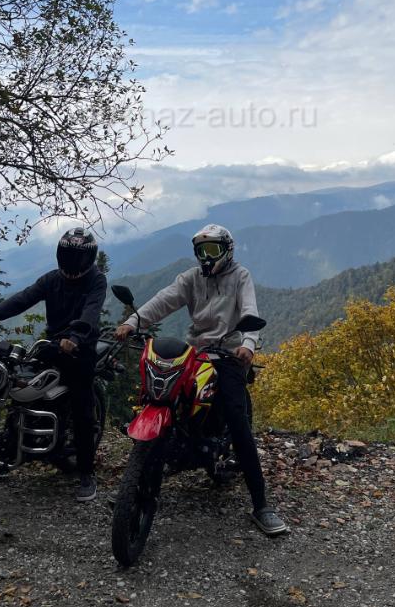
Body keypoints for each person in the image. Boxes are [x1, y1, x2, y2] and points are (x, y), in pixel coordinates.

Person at [114, 224, 287, 535]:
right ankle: (138, 481)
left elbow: (249, 310)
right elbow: (163, 300)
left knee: (238, 424)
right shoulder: (191, 278)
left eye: (212, 250)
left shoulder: (240, 276)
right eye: (201, 250)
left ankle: (261, 505)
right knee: (162, 399)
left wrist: (248, 345)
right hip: (194, 353)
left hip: (228, 354)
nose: (206, 257)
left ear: (227, 250)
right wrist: (132, 322)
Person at [0, 227, 106, 502]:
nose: (72, 261)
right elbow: (24, 298)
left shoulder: (96, 280)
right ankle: (3, 457)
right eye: (68, 254)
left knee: (83, 409)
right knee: (18, 391)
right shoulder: (52, 279)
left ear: (88, 258)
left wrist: (76, 337)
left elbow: (91, 310)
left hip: (81, 348)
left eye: (78, 256)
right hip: (52, 345)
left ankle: (86, 472)